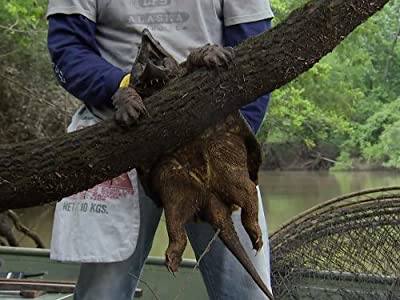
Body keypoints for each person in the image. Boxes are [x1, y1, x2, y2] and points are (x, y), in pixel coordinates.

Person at [46, 1, 274, 299]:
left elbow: (254, 55)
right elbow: (68, 49)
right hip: (120, 133)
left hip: (212, 138)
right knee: (103, 293)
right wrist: (123, 86)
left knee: (247, 291)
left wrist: (231, 145)